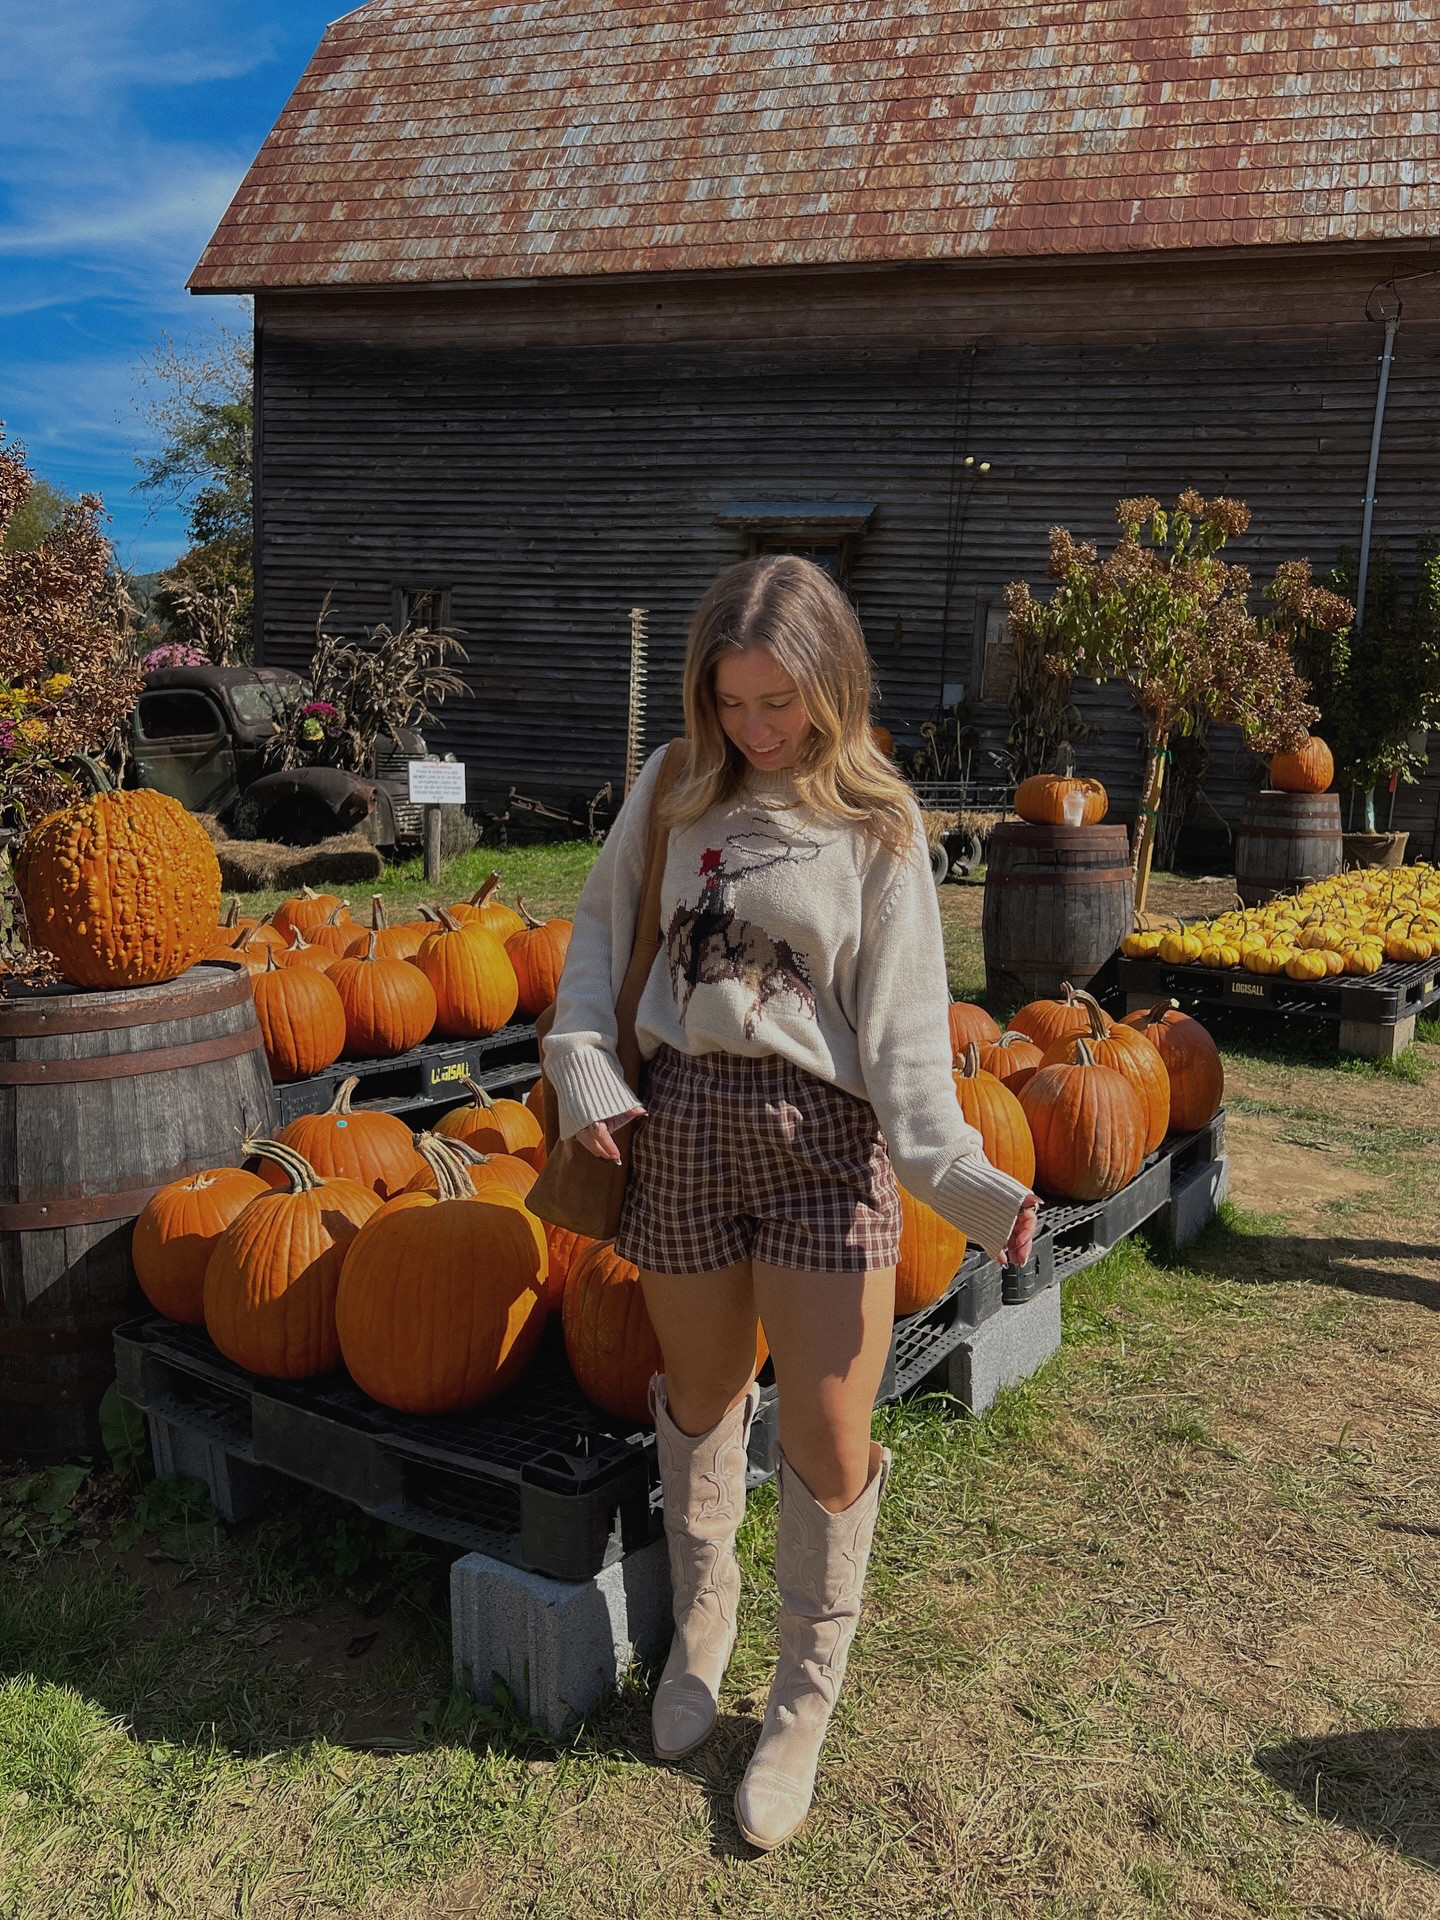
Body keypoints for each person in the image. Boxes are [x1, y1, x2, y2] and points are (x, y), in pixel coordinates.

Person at [543, 555, 1038, 1851]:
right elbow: (597, 945)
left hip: (828, 1147)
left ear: (830, 687)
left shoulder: (877, 826)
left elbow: (907, 1045)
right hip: (683, 1132)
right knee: (702, 1399)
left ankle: (803, 1699)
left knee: (824, 1433)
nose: (759, 729)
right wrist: (586, 1070)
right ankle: (703, 1625)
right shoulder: (672, 788)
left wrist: (975, 1192)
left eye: (782, 703)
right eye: (736, 702)